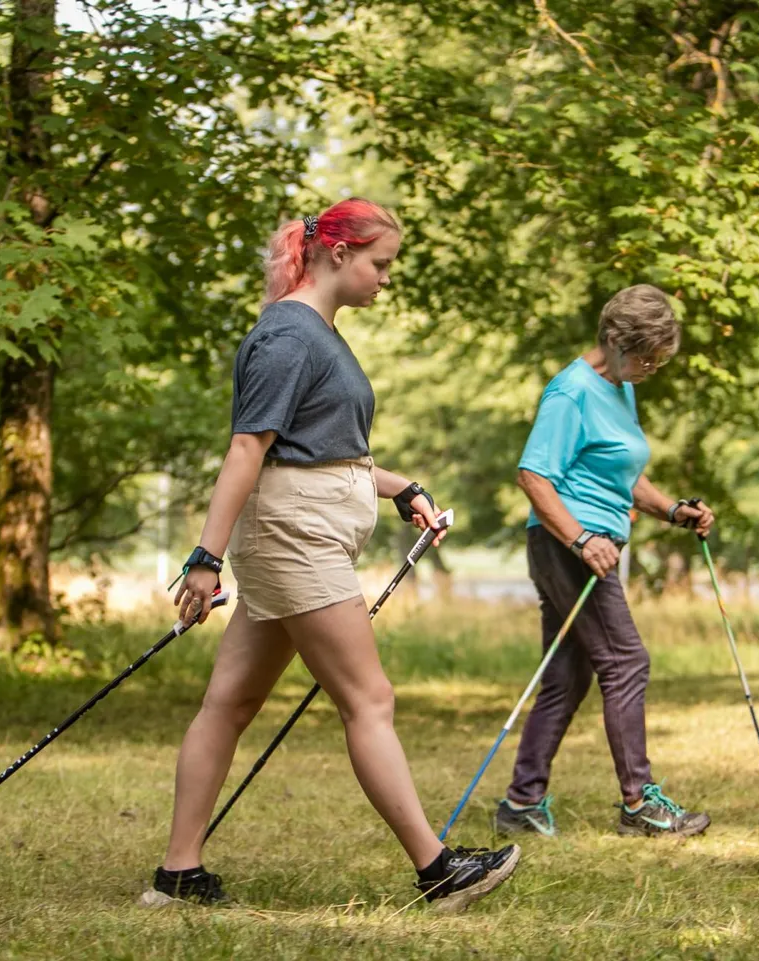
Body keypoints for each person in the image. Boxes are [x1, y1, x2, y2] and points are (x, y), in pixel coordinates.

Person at [141, 198, 519, 913]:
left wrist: (400, 486)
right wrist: (204, 557)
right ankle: (437, 869)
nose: (385, 279)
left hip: (303, 532)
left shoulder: (316, 333)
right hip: (296, 541)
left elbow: (319, 454)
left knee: (229, 702)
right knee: (368, 698)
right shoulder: (289, 335)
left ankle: (177, 875)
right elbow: (249, 450)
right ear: (339, 253)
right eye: (381, 264)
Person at [494, 284, 716, 840]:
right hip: (570, 546)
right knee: (627, 662)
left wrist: (673, 510)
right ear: (615, 341)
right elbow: (533, 476)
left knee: (568, 676)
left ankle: (522, 803)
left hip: (591, 544)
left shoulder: (620, 387)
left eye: (659, 360)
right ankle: (639, 804)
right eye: (646, 357)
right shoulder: (570, 392)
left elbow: (624, 475)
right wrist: (577, 539)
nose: (651, 368)